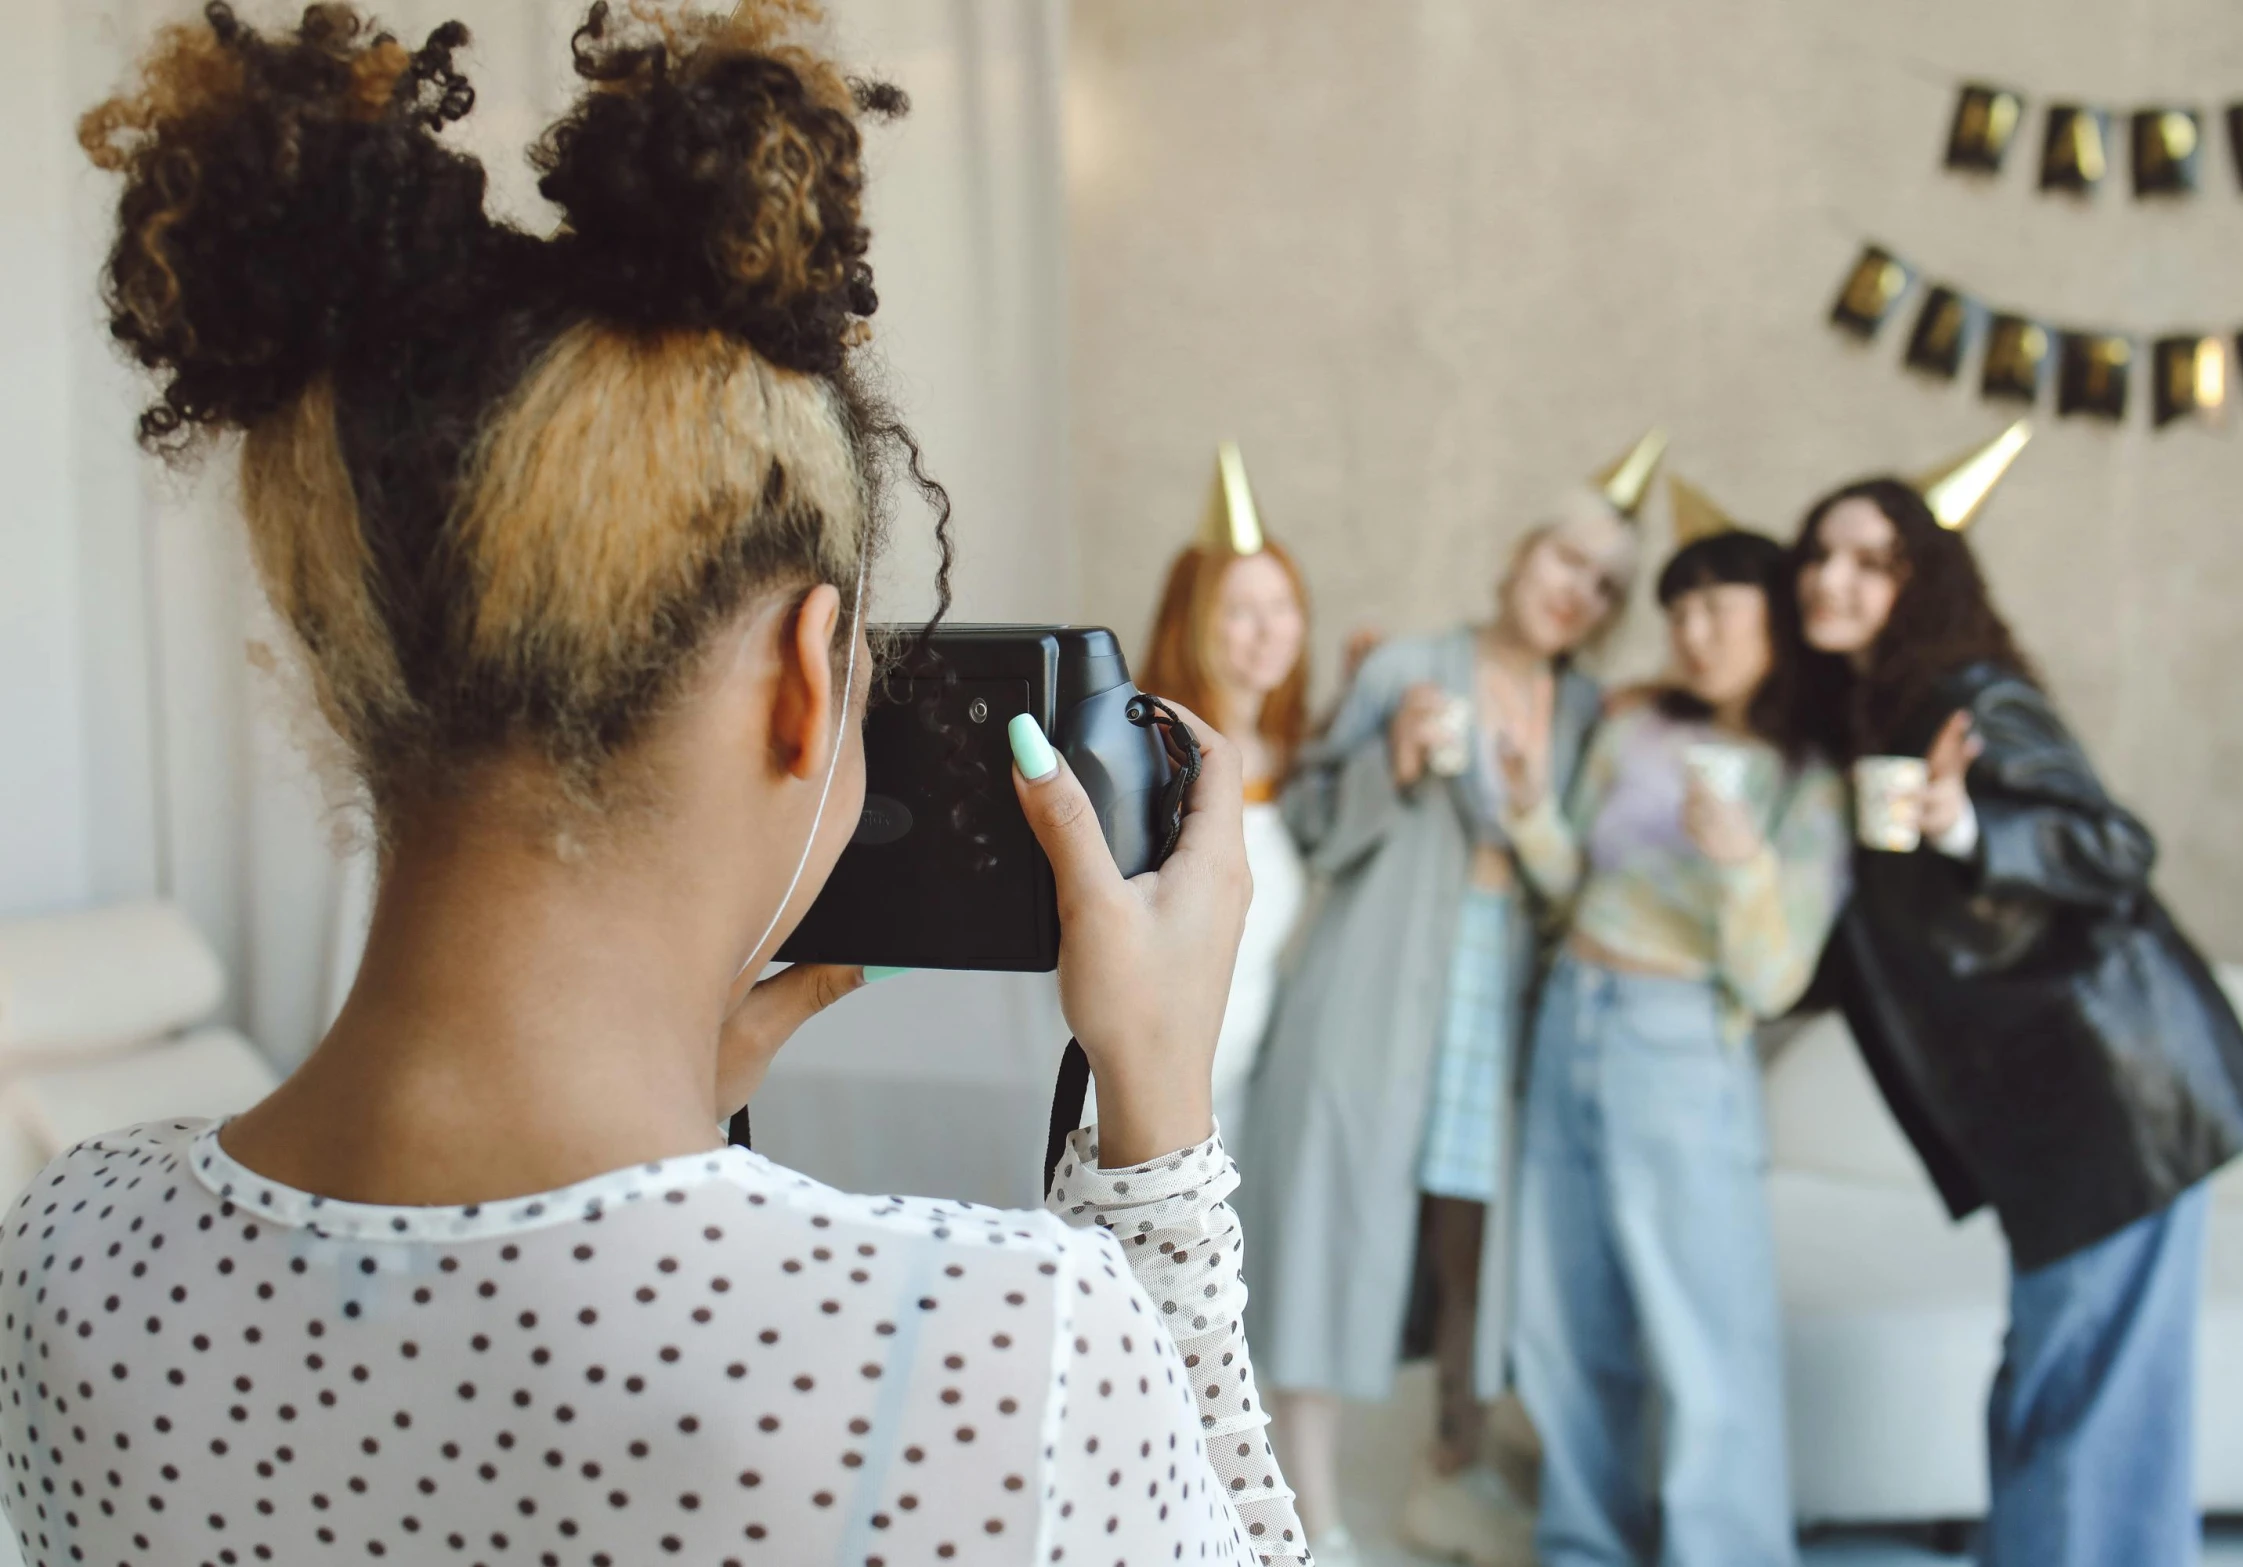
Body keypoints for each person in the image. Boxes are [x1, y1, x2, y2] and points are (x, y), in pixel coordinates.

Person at [0, 6, 1307, 1564]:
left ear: (354, 663)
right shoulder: (1000, 1343)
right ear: (804, 676)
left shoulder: (74, 1252)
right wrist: (1154, 1131)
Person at [1791, 428, 2243, 1567]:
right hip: (2052, 1118)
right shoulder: (1864, 722)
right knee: (2055, 1383)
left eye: (1868, 561)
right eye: (1818, 555)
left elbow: (2112, 845)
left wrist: (1964, 824)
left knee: (2087, 1397)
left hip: (2118, 1095)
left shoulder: (1970, 701)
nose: (1830, 577)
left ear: (1922, 583)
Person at [1242, 434, 1661, 1567]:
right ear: (1521, 555)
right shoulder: (1410, 667)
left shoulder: (1589, 717)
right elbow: (1315, 824)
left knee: (1476, 1241)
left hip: (1501, 996)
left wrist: (1532, 812)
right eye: (1565, 559)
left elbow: (1588, 885)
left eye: (1605, 584)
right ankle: (1309, 1512)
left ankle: (1450, 1469)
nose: (1576, 590)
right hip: (1372, 990)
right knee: (1336, 1226)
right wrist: (1393, 757)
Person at [1504, 502, 1847, 1567]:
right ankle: (1583, 1545)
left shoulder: (1809, 778)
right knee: (1563, 1314)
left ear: (1775, 621)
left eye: (1716, 608)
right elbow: (1574, 887)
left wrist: (1740, 861)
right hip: (1573, 1016)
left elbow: (1776, 976)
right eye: (1678, 610)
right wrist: (1526, 811)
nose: (1692, 632)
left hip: (1681, 1041)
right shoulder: (1634, 725)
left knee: (1706, 1334)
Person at [1137, 443, 1312, 1152]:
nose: (1270, 629)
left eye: (1282, 605)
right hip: (1155, 1066)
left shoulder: (1286, 752)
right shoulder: (1153, 758)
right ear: (1194, 621)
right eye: (1242, 610)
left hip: (1245, 1072)